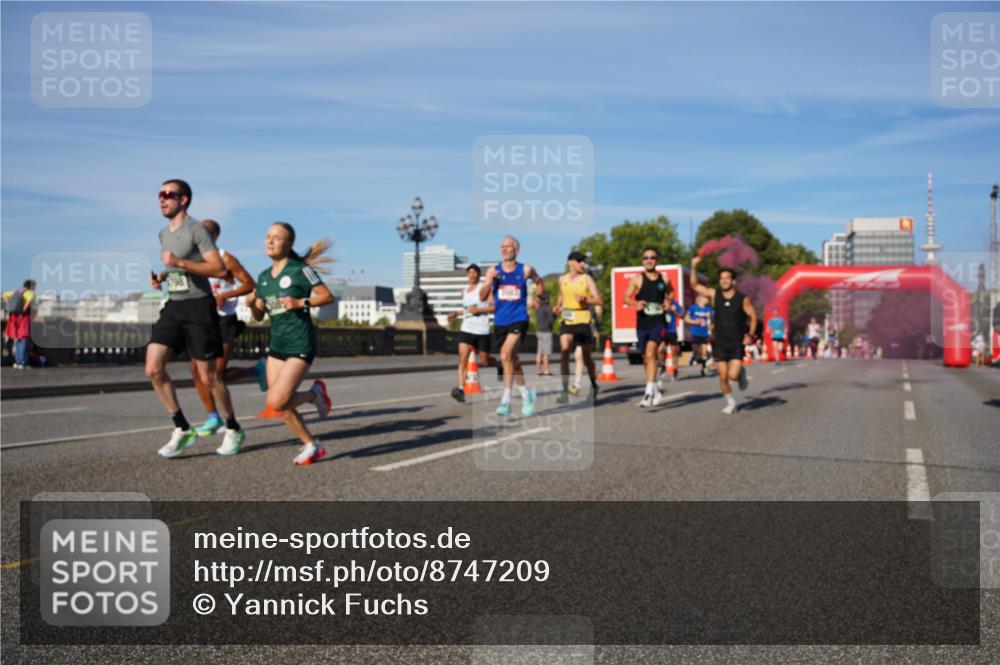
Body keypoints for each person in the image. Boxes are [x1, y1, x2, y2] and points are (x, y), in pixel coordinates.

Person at [147, 180, 246, 458]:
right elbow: (176, 269)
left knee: (209, 376)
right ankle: (181, 427)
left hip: (198, 307)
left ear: (184, 199)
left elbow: (216, 267)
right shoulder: (163, 233)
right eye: (160, 195)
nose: (162, 200)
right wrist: (162, 277)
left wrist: (180, 263)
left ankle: (233, 427)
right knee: (153, 369)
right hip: (174, 305)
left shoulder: (196, 229)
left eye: (168, 195)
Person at [249, 222, 335, 465]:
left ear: (289, 244)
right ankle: (311, 444)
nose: (270, 241)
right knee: (277, 404)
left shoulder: (300, 270)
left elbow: (326, 296)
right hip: (277, 344)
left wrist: (300, 303)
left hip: (300, 343)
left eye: (277, 238)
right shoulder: (263, 278)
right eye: (268, 236)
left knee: (278, 400)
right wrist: (252, 305)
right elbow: (259, 316)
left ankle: (314, 395)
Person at [190, 219, 267, 437]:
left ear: (213, 237)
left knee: (216, 374)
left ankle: (255, 370)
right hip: (201, 320)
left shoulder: (226, 258)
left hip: (224, 320)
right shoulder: (193, 259)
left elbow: (249, 284)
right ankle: (212, 417)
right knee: (196, 372)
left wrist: (225, 295)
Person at [479, 235, 545, 417]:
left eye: (508, 246)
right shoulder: (493, 271)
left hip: (519, 318)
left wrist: (538, 297)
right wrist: (490, 281)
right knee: (512, 361)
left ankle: (506, 401)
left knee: (505, 355)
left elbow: (540, 283)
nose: (504, 249)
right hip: (500, 321)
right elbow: (482, 296)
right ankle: (526, 395)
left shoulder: (525, 270)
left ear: (516, 250)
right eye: (502, 246)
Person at [690, 256, 757, 414]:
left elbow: (753, 317)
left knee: (733, 376)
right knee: (723, 376)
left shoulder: (742, 299)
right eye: (722, 278)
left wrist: (750, 335)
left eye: (727, 278)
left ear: (733, 281)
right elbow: (694, 285)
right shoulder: (714, 295)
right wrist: (693, 266)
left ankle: (740, 373)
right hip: (720, 342)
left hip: (736, 343)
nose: (724, 281)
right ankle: (730, 402)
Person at [624, 247, 673, 407]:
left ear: (657, 260)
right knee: (646, 357)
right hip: (642, 322)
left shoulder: (664, 279)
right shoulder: (637, 279)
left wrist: (668, 301)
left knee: (651, 352)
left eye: (652, 257)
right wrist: (635, 303)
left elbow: (671, 293)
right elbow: (626, 297)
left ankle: (648, 393)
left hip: (658, 321)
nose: (649, 260)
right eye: (646, 258)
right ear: (642, 261)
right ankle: (655, 389)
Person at [553, 250, 602, 403]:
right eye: (580, 261)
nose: (583, 264)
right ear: (570, 262)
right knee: (565, 352)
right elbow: (561, 296)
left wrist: (585, 299)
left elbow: (599, 300)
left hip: (582, 320)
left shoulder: (587, 279)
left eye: (583, 261)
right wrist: (558, 306)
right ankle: (565, 391)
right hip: (567, 320)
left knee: (585, 357)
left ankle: (594, 386)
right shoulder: (563, 279)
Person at [448, 264, 495, 402]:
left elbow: (493, 308)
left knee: (485, 361)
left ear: (479, 275)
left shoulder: (485, 290)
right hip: (467, 329)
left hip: (482, 330)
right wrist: (456, 313)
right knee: (463, 358)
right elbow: (468, 310)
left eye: (474, 272)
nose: (471, 274)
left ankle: (498, 365)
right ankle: (461, 389)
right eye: (469, 272)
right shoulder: (465, 291)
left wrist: (479, 310)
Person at [3, 279, 35, 369]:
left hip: (14, 318)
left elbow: (4, 295)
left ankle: (17, 362)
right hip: (23, 317)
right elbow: (27, 305)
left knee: (18, 340)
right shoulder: (30, 293)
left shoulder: (16, 291)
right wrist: (22, 311)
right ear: (31, 287)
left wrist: (9, 304)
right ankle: (22, 362)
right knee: (24, 339)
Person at [657, 297, 684, 386]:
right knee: (660, 350)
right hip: (662, 331)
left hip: (672, 331)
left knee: (674, 352)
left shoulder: (675, 304)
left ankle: (675, 371)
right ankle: (662, 366)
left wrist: (674, 310)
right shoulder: (659, 302)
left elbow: (681, 315)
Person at [684, 293, 713, 376]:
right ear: (700, 298)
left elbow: (713, 320)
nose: (707, 300)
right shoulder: (693, 308)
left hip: (704, 333)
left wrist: (710, 318)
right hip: (695, 332)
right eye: (706, 298)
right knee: (696, 351)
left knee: (704, 352)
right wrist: (695, 322)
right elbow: (686, 319)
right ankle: (696, 358)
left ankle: (704, 367)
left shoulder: (708, 309)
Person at [533, 292, 554, 376]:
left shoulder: (538, 308)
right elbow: (551, 319)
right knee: (546, 352)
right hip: (546, 331)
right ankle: (546, 370)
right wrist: (555, 315)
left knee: (539, 351)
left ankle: (538, 370)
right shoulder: (548, 308)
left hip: (539, 331)